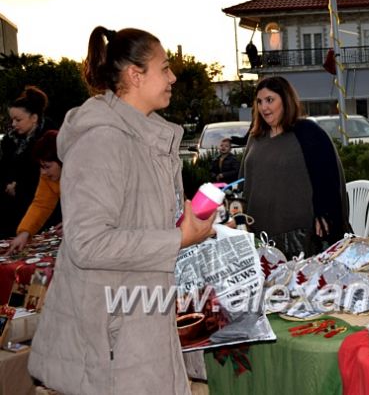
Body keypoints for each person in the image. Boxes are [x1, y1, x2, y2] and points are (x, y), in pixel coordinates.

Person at [28, 26, 215, 394]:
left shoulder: (148, 140)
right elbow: (88, 242)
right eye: (164, 68)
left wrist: (188, 226)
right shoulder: (102, 141)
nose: (173, 77)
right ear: (135, 75)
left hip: (141, 322)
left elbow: (139, 224)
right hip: (110, 341)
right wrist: (177, 237)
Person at [239, 76, 349, 259]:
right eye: (259, 102)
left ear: (285, 100)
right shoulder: (255, 137)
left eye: (270, 100)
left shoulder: (308, 133)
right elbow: (244, 180)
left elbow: (330, 178)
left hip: (299, 238)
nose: (264, 107)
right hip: (257, 236)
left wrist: (325, 215)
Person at [0, 85, 52, 238]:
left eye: (18, 120)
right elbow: (3, 167)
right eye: (12, 120)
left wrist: (19, 186)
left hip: (38, 208)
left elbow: (48, 175)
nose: (14, 124)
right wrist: (6, 184)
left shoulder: (50, 140)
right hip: (10, 205)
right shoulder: (9, 141)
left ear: (34, 118)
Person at [4, 130, 62, 254]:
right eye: (41, 167)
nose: (43, 172)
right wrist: (25, 232)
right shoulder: (48, 176)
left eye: (47, 166)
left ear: (63, 161)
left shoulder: (87, 172)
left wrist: (76, 221)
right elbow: (41, 204)